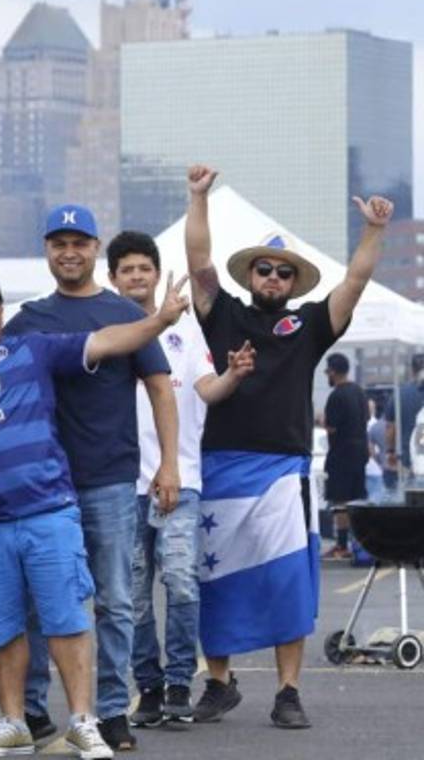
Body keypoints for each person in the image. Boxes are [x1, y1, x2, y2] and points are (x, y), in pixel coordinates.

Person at [0, 267, 191, 760]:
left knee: (67, 618)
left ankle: (84, 721)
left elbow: (109, 340)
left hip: (48, 508)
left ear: (2, 314)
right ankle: (13, 723)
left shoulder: (32, 347)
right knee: (2, 626)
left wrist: (158, 320)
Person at [184, 165, 391, 728]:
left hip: (281, 471)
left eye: (281, 272)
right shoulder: (221, 313)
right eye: (264, 269)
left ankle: (288, 692)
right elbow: (199, 263)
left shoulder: (307, 325)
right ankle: (219, 684)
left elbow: (352, 284)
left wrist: (372, 232)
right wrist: (197, 197)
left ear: (291, 282)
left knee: (287, 582)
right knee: (216, 580)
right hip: (221, 466)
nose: (272, 277)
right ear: (250, 273)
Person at [3, 206, 179, 751]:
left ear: (95, 248)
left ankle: (110, 711)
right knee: (38, 599)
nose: (70, 252)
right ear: (48, 251)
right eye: (59, 243)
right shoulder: (28, 319)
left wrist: (169, 463)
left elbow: (160, 388)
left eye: (79, 242)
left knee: (116, 600)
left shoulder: (123, 311)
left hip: (110, 477)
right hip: (43, 484)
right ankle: (33, 709)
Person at [106, 231, 255, 728]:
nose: (136, 276)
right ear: (113, 279)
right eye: (126, 270)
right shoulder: (105, 334)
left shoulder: (183, 329)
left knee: (180, 583)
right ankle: (147, 686)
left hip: (180, 479)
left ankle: (177, 682)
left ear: (155, 273)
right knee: (131, 593)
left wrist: (233, 376)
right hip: (121, 486)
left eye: (143, 268)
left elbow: (207, 390)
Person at [322, 353, 369, 559]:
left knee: (340, 500)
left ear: (332, 371)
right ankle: (359, 544)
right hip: (360, 453)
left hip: (341, 455)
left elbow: (331, 428)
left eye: (327, 372)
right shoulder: (359, 392)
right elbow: (365, 419)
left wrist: (325, 422)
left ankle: (342, 545)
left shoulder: (336, 396)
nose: (327, 376)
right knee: (357, 499)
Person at [383, 353, 424, 489]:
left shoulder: (400, 394)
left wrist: (390, 451)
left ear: (412, 369)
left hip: (406, 463)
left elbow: (390, 427)